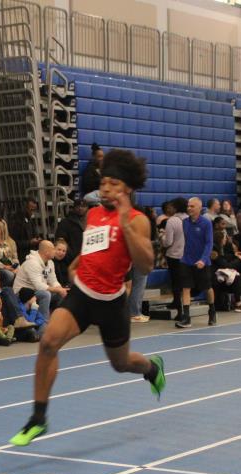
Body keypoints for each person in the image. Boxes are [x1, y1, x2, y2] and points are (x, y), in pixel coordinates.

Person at [9, 149, 165, 447]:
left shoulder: (138, 220)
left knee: (121, 363)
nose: (105, 188)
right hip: (83, 296)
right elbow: (96, 247)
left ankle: (151, 368)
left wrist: (125, 223)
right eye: (103, 182)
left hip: (112, 304)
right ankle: (38, 418)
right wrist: (77, 263)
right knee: (48, 342)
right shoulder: (93, 214)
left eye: (113, 184)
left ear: (127, 189)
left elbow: (145, 265)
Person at [175, 197, 215, 328]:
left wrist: (203, 259)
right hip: (186, 261)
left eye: (192, 206)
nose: (189, 208)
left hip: (203, 262)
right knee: (185, 288)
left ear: (199, 207)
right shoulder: (184, 222)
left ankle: (212, 311)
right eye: (188, 206)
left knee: (207, 288)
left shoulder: (206, 223)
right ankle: (186, 317)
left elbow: (209, 243)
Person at [13, 240, 67, 323]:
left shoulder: (50, 263)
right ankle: (44, 323)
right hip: (21, 294)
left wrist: (61, 290)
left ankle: (56, 321)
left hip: (35, 291)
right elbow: (39, 286)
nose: (55, 251)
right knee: (46, 294)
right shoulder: (32, 263)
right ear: (46, 252)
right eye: (53, 249)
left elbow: (53, 281)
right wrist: (58, 290)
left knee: (60, 294)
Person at [55, 199, 88, 263]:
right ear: (73, 208)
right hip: (71, 260)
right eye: (78, 206)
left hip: (87, 258)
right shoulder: (65, 222)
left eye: (83, 206)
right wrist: (70, 255)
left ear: (87, 208)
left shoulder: (91, 221)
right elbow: (60, 241)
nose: (80, 208)